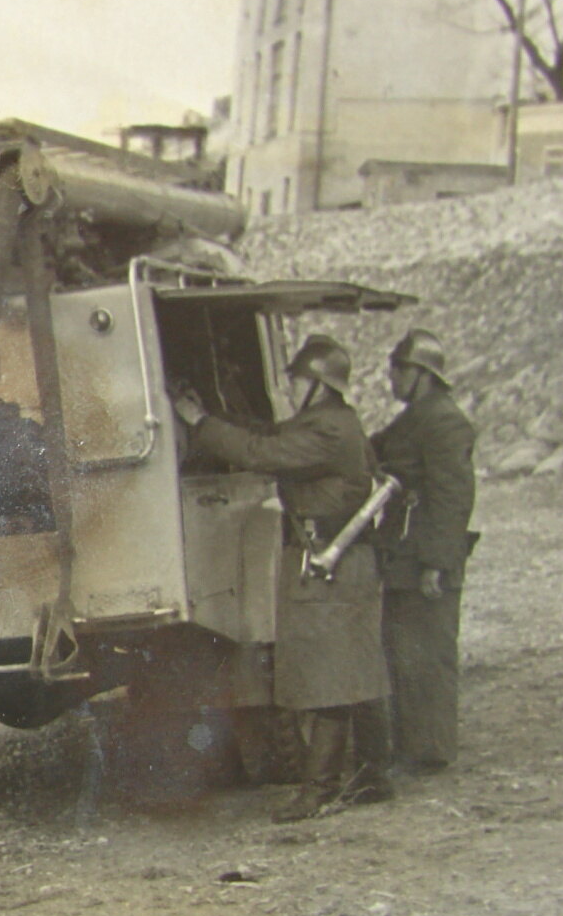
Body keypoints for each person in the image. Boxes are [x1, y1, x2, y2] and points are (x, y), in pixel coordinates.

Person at [174, 335, 393, 823]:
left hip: (329, 564)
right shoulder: (331, 423)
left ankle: (319, 790)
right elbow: (267, 434)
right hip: (340, 562)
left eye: (296, 380)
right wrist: (211, 412)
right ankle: (375, 777)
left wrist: (198, 423)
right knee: (356, 669)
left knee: (329, 679)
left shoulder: (328, 432)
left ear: (317, 384)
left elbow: (261, 452)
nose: (290, 388)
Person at [373, 329, 478, 772]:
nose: (391, 380)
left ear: (420, 373)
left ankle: (430, 752)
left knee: (428, 657)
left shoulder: (443, 419)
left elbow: (452, 496)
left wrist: (436, 563)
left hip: (425, 561)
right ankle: (414, 748)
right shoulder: (418, 416)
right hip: (407, 555)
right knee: (406, 653)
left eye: (397, 371)